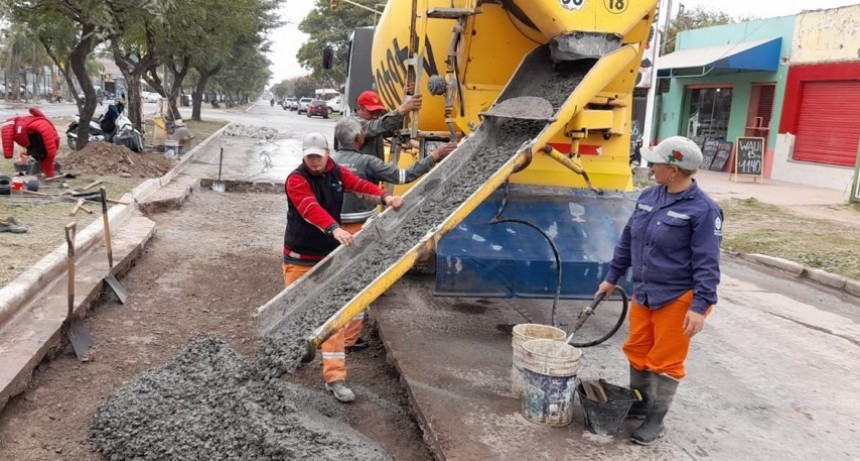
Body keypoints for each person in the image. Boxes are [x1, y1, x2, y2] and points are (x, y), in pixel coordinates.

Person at [594, 136, 722, 446]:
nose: (651, 167)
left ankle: (656, 420)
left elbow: (707, 262)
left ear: (674, 170)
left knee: (666, 360)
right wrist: (612, 277)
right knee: (637, 348)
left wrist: (700, 306)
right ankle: (639, 403)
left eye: (657, 163)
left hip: (679, 297)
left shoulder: (704, 210)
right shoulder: (649, 197)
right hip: (645, 291)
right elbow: (628, 239)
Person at [283, 132, 404, 403]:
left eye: (318, 155)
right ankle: (290, 354)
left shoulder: (336, 172)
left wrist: (385, 197)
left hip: (329, 258)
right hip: (299, 256)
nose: (314, 161)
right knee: (294, 313)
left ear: (327, 152)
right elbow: (308, 207)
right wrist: (334, 229)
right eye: (309, 156)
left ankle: (335, 378)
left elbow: (359, 184)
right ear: (304, 155)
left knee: (332, 317)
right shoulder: (296, 179)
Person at [329, 117, 457, 352]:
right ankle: (347, 340)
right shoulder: (367, 162)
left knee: (334, 280)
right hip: (359, 231)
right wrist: (434, 156)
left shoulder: (328, 163)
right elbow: (403, 176)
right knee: (358, 285)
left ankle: (328, 330)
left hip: (332, 231)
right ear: (359, 138)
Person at [348, 88, 421, 161]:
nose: (375, 116)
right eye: (371, 113)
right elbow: (374, 127)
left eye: (378, 113)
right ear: (359, 108)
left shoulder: (376, 126)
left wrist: (407, 97)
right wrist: (402, 110)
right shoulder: (352, 124)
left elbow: (393, 128)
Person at [2, 108, 60, 178]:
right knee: (44, 156)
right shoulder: (41, 124)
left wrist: (8, 154)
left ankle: (47, 173)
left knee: (45, 156)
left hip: (37, 137)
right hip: (36, 137)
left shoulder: (42, 125)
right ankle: (46, 173)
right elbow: (7, 137)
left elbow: (51, 150)